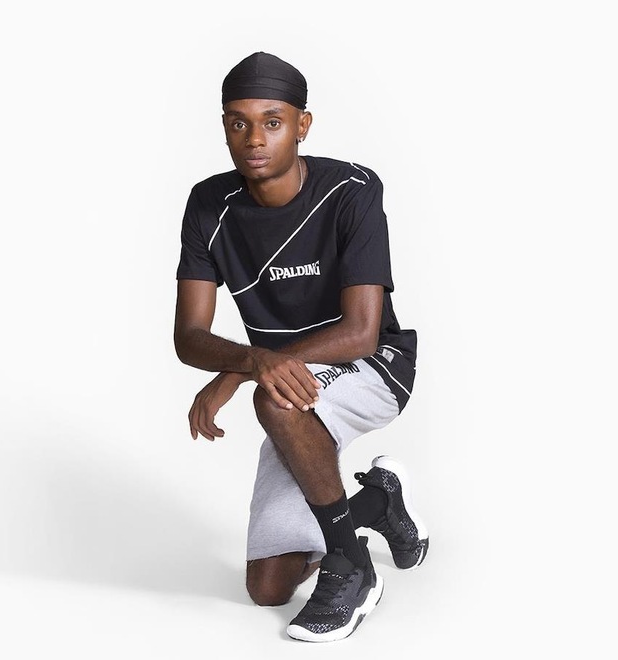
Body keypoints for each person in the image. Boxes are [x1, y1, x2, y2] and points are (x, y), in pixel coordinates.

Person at [173, 51, 429, 642]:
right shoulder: (209, 205)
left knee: (273, 399)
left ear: (302, 125)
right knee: (268, 587)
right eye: (238, 123)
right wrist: (249, 362)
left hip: (374, 364)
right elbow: (189, 335)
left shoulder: (351, 190)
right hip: (287, 383)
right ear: (224, 127)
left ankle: (354, 568)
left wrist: (242, 372)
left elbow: (360, 331)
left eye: (272, 121)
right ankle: (379, 504)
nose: (254, 139)